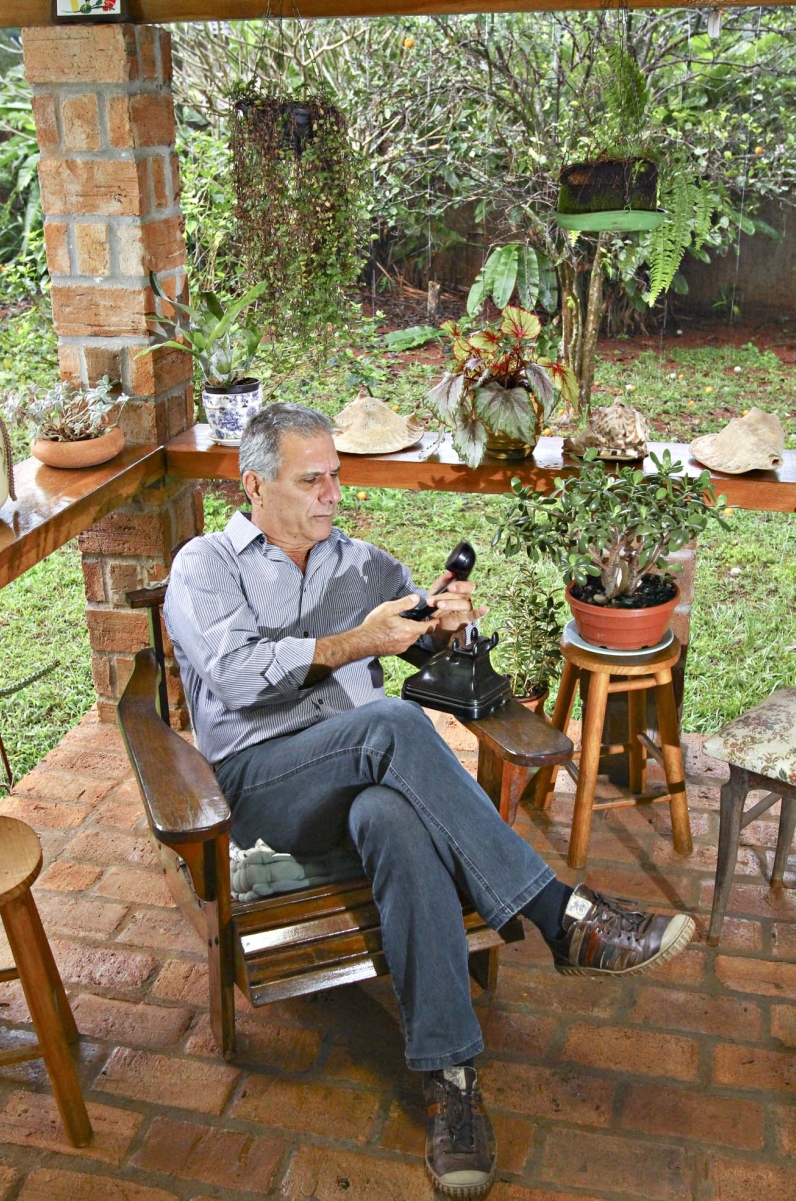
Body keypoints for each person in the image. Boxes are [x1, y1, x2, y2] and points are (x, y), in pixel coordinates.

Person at [164, 403, 695, 1199]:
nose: (332, 494)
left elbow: (416, 627)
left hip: (368, 780)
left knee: (396, 817)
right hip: (263, 781)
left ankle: (452, 1079)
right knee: (390, 721)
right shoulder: (207, 564)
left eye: (336, 474)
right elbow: (237, 674)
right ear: (255, 485)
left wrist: (445, 624)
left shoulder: (364, 565)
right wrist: (357, 643)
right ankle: (560, 915)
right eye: (311, 480)